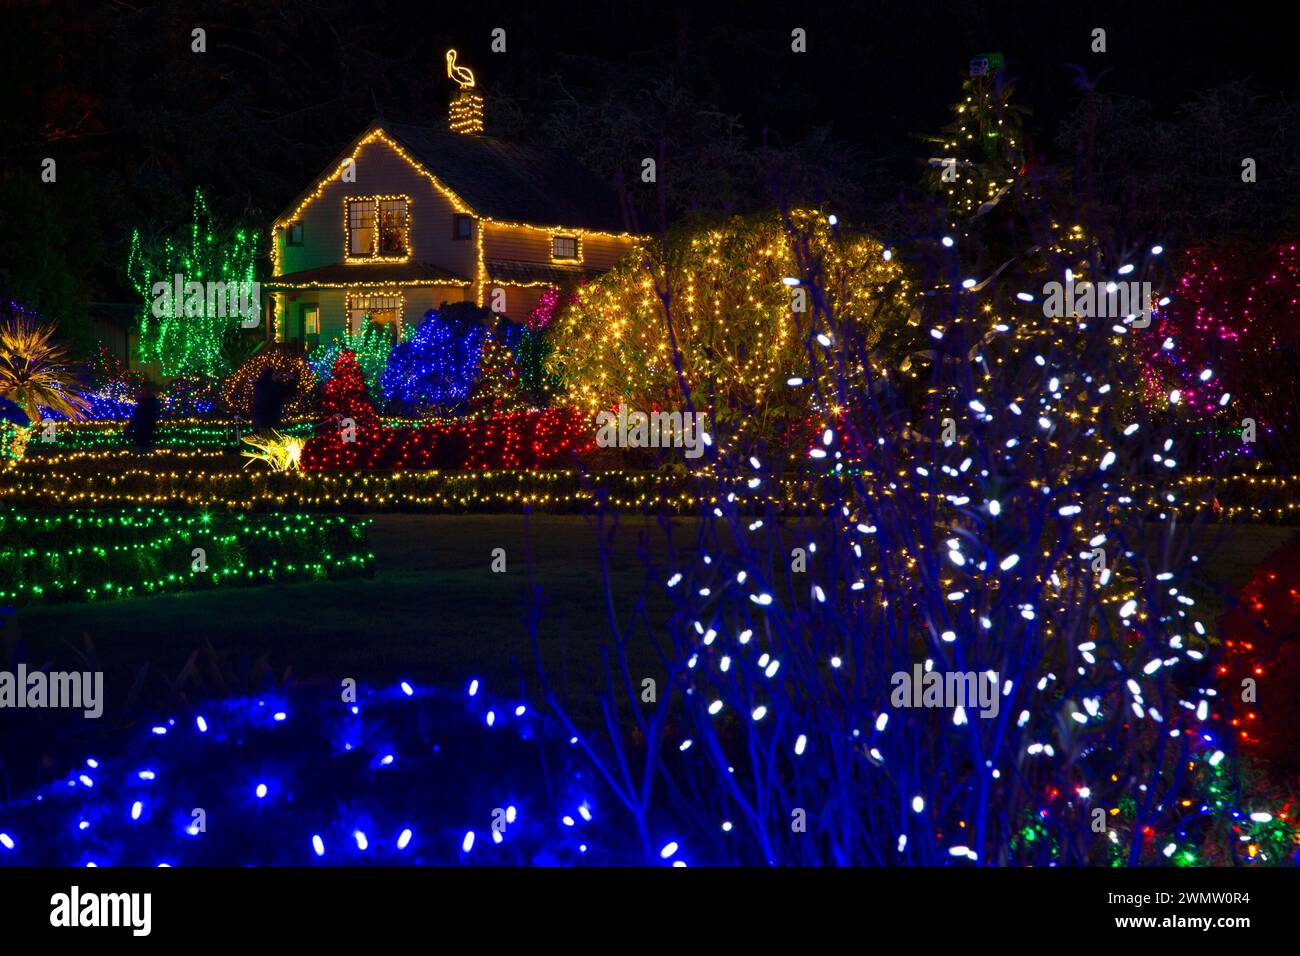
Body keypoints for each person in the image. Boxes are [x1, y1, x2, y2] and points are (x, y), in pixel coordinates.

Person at [123, 382, 160, 450]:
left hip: (147, 415)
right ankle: (140, 442)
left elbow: (153, 406)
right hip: (142, 415)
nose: (144, 389)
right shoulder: (144, 396)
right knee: (140, 428)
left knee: (146, 429)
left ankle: (144, 442)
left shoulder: (150, 396)